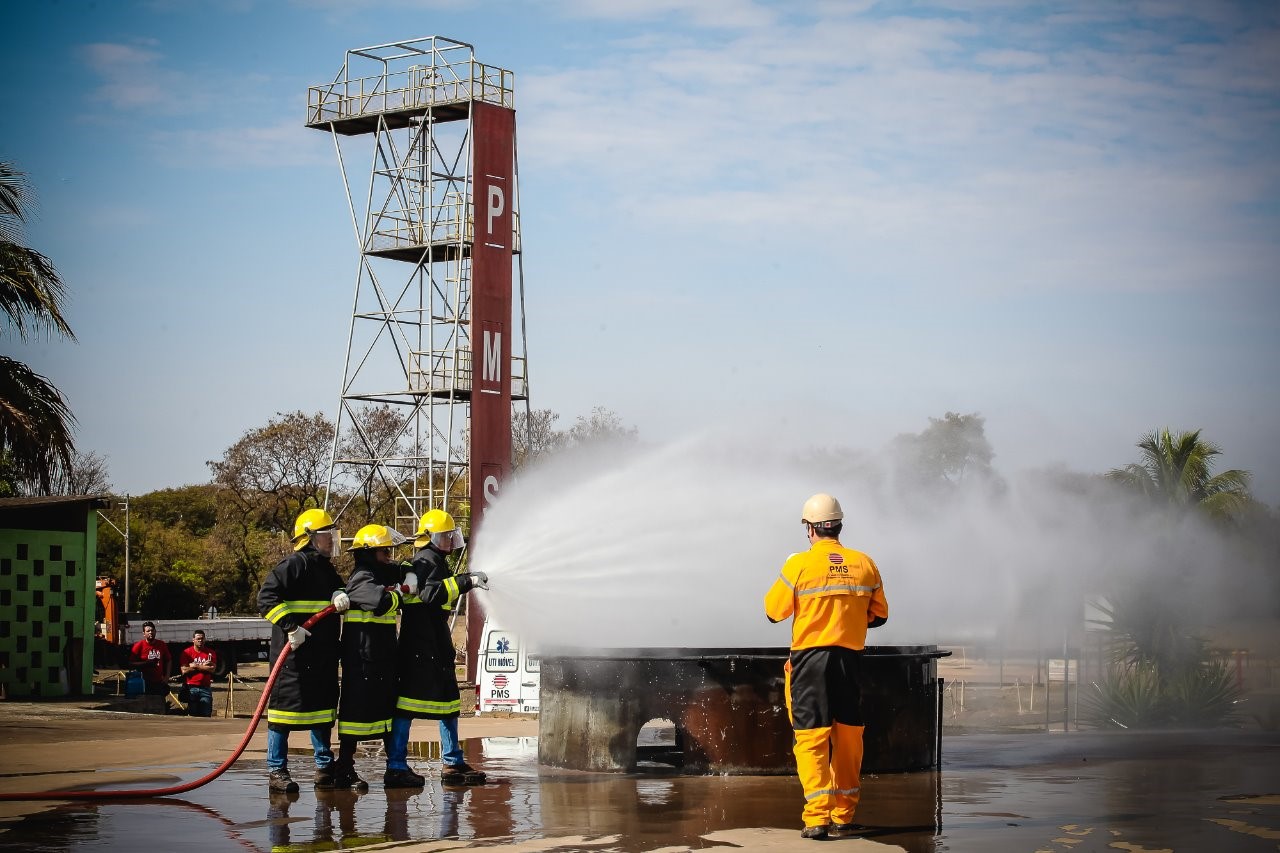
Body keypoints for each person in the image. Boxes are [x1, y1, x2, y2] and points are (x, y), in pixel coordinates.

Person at [763, 493, 889, 841]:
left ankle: (816, 818)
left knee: (811, 738)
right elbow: (879, 615)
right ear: (839, 525)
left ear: (809, 528)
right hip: (849, 662)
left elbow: (773, 612)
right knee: (848, 737)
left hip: (810, 663)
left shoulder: (798, 565)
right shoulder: (865, 563)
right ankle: (844, 816)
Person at [257, 507, 352, 793]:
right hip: (293, 658)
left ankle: (324, 768)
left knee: (321, 712)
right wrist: (290, 627)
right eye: (326, 535)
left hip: (321, 656)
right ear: (310, 537)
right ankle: (277, 771)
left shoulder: (325, 567)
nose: (331, 540)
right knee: (282, 716)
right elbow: (266, 598)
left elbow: (334, 589)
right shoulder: (295, 564)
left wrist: (338, 593)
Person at [392, 508, 489, 786]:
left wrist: (465, 581)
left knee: (448, 704)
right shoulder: (425, 561)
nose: (449, 540)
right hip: (421, 646)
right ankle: (397, 764)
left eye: (451, 535)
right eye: (445, 535)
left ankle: (452, 762)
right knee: (407, 706)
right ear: (430, 537)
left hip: (432, 644)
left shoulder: (433, 559)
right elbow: (431, 593)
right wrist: (465, 581)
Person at [335, 523, 411, 789]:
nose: (389, 556)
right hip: (362, 661)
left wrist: (406, 575)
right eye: (384, 552)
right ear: (369, 553)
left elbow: (400, 572)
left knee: (386, 714)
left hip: (380, 659)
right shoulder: (361, 578)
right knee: (355, 716)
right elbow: (380, 603)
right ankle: (343, 769)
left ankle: (395, 768)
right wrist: (398, 595)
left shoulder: (378, 575)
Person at [178, 629, 217, 717]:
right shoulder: (186, 652)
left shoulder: (210, 653)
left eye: (202, 638)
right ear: (193, 640)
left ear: (205, 639)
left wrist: (195, 666)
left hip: (206, 688)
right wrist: (204, 666)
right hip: (191, 687)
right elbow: (184, 670)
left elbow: (212, 669)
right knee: (193, 714)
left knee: (206, 714)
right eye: (198, 639)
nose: (200, 640)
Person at [129, 621, 172, 699]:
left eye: (152, 630)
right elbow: (131, 664)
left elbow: (168, 660)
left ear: (155, 631)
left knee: (159, 703)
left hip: (159, 681)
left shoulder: (161, 644)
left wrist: (167, 677)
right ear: (144, 633)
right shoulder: (138, 646)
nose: (150, 632)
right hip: (144, 682)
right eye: (148, 631)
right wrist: (145, 663)